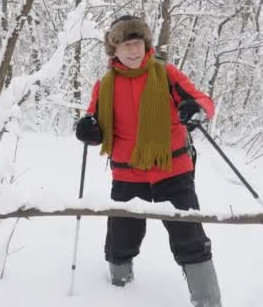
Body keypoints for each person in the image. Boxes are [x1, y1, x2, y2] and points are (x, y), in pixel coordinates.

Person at [75, 15, 222, 307]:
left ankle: (208, 301)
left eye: (138, 43)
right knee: (120, 240)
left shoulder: (166, 74)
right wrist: (87, 129)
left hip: (173, 171)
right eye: (126, 44)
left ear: (147, 44)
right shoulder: (104, 85)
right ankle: (118, 292)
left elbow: (202, 101)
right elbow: (95, 125)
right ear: (113, 50)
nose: (133, 50)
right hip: (127, 176)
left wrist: (196, 110)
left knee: (190, 237)